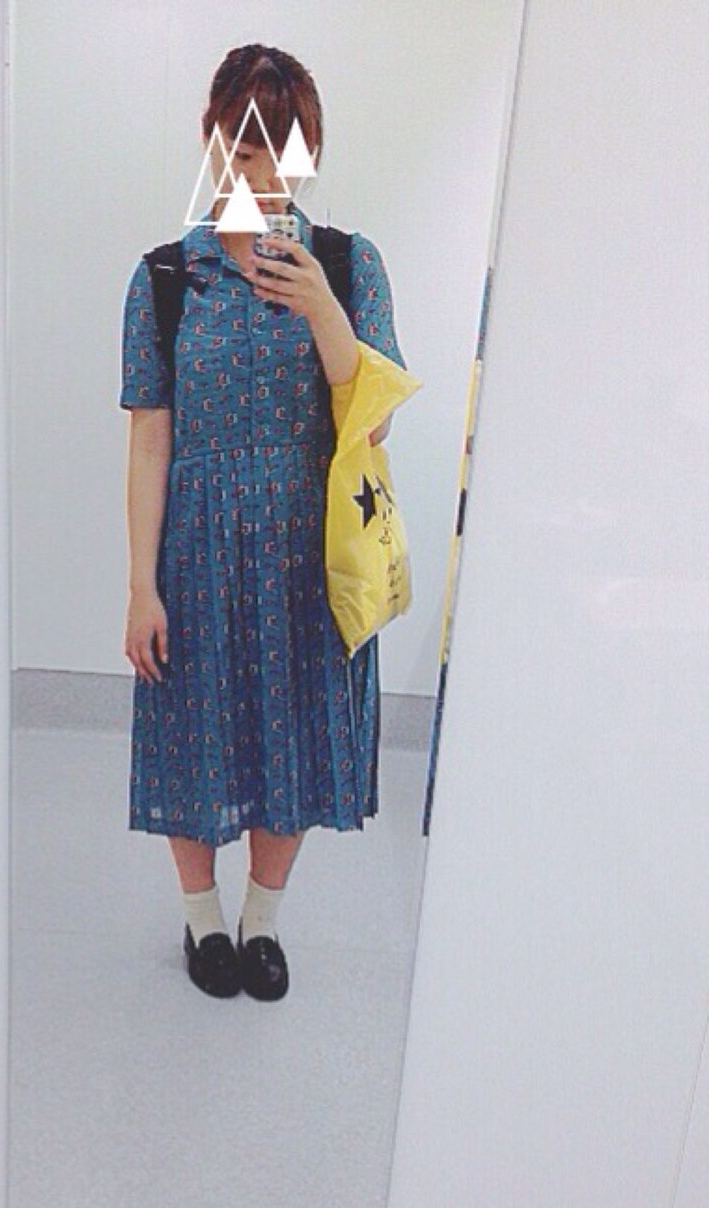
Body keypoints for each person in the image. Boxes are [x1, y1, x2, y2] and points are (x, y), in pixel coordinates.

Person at [118, 44, 410, 1002]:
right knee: (191, 735)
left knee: (295, 735)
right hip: (196, 553)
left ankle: (261, 922)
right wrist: (141, 585)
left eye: (283, 157)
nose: (262, 177)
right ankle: (203, 920)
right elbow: (150, 440)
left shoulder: (348, 265)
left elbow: (372, 417)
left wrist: (322, 306)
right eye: (244, 152)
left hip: (306, 554)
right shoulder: (166, 278)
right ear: (211, 140)